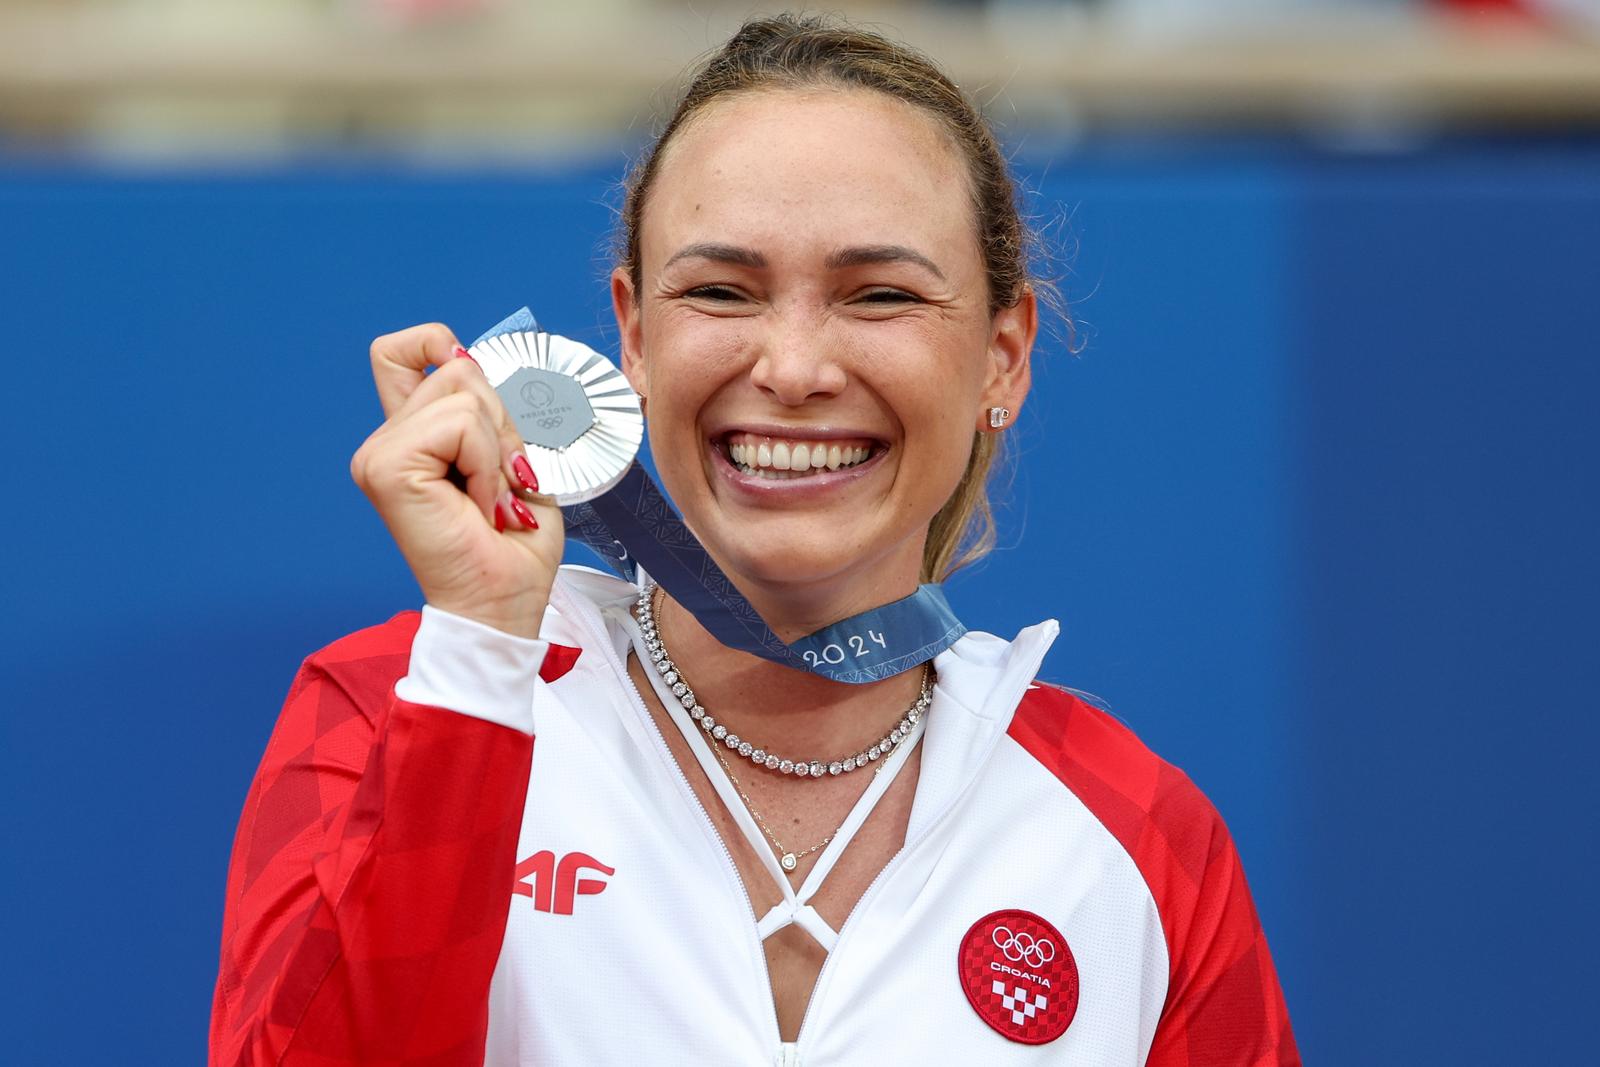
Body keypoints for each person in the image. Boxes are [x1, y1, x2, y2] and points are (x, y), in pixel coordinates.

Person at [210, 13, 1297, 1066]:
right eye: (722, 290)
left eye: (878, 293)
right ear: (634, 334)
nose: (791, 367)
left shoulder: (1137, 837)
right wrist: (482, 650)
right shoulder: (403, 705)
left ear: (1001, 356)